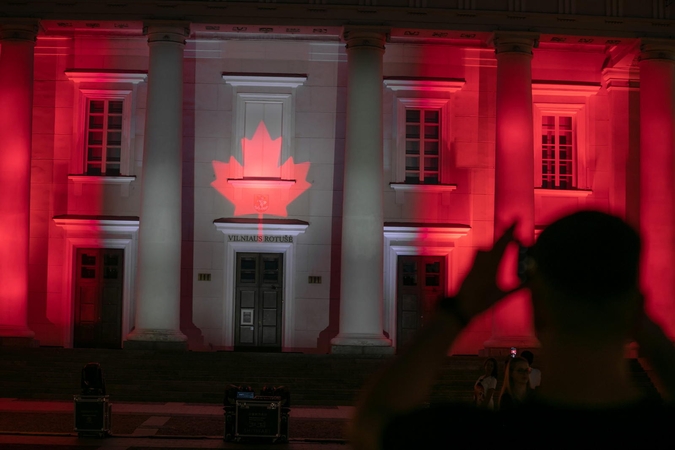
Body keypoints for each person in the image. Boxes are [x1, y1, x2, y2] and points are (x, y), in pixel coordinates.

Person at [349, 211, 675, 449]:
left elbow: (371, 421)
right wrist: (650, 332)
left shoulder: (473, 435)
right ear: (636, 307)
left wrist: (458, 311)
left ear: (537, 308)